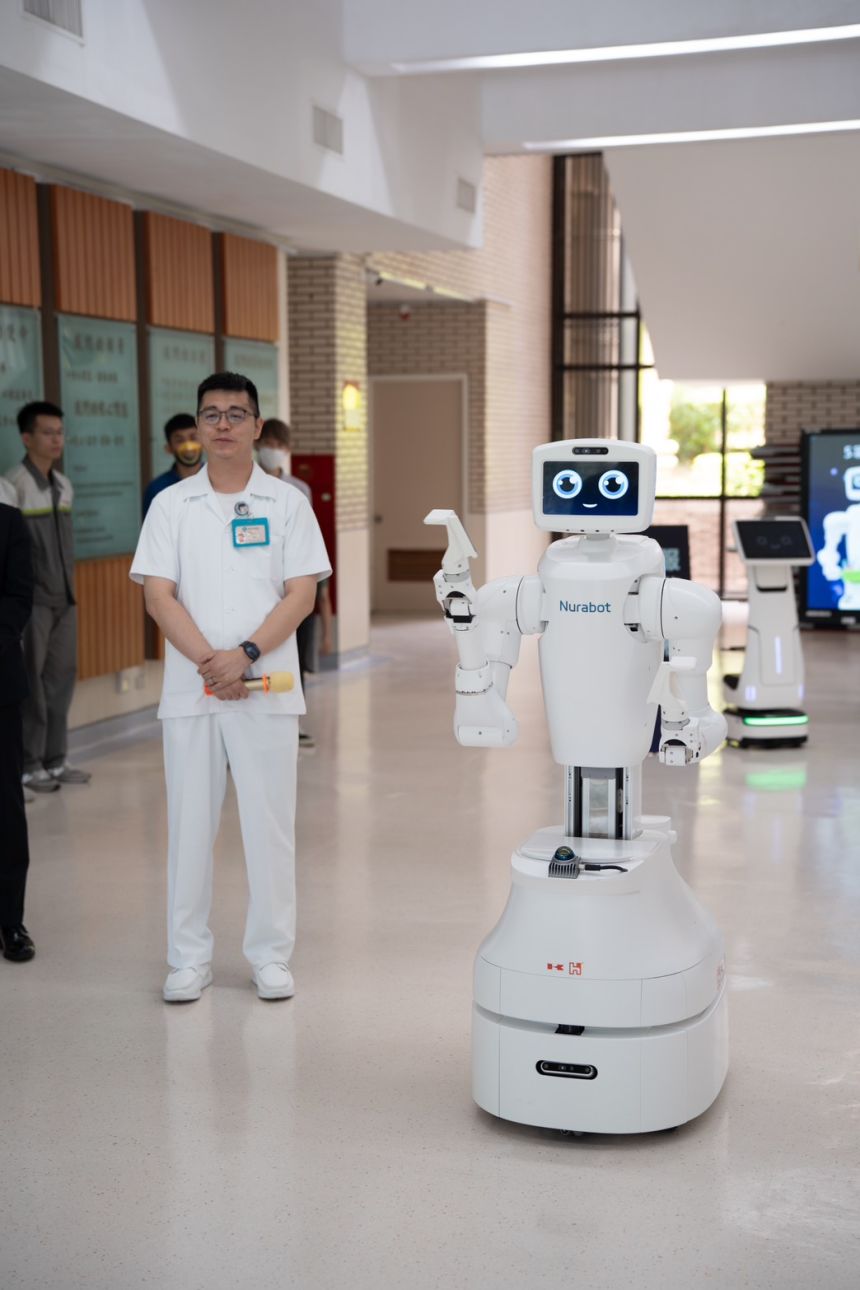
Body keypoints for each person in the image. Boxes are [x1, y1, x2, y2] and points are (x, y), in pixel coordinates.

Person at [130, 372, 330, 1003]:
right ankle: (188, 959)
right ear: (197, 425)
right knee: (189, 827)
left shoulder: (287, 503)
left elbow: (301, 594)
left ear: (257, 426)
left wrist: (243, 656)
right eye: (211, 414)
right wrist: (211, 665)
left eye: (235, 414)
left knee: (270, 826)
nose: (222, 425)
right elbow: (158, 596)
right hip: (193, 692)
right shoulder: (171, 505)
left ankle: (270, 956)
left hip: (265, 684)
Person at [5, 402, 90, 793]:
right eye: (47, 432)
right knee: (31, 684)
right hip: (33, 602)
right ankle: (29, 763)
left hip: (64, 599)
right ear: (27, 438)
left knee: (61, 679)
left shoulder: (64, 485)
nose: (56, 440)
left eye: (60, 432)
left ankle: (56, 759)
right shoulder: (13, 486)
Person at [258, 418, 334, 747]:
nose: (273, 451)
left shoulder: (299, 489)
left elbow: (307, 538)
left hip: (293, 582)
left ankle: (293, 720)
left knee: (295, 656)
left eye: (279, 446)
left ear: (287, 450)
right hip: (263, 585)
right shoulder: (247, 485)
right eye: (268, 444)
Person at [0, 493, 36, 962]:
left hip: (0, 684)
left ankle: (10, 920)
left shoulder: (8, 523)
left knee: (5, 805)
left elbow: (19, 598)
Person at [142, 412, 204, 518]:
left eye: (193, 438)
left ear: (204, 442)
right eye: (180, 440)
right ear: (169, 448)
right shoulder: (157, 489)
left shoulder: (221, 481)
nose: (188, 446)